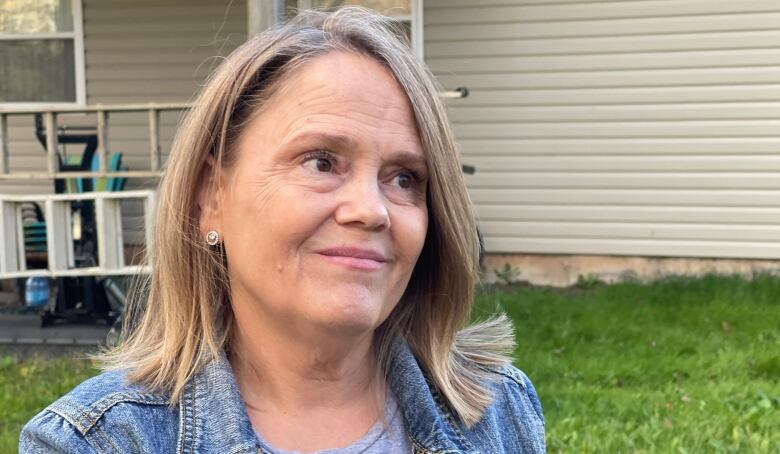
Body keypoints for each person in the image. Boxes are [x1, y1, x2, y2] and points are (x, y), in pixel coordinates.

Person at [20, 7, 545, 453]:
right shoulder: (99, 441)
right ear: (211, 196)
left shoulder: (500, 412)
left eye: (404, 178)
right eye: (321, 162)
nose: (371, 209)